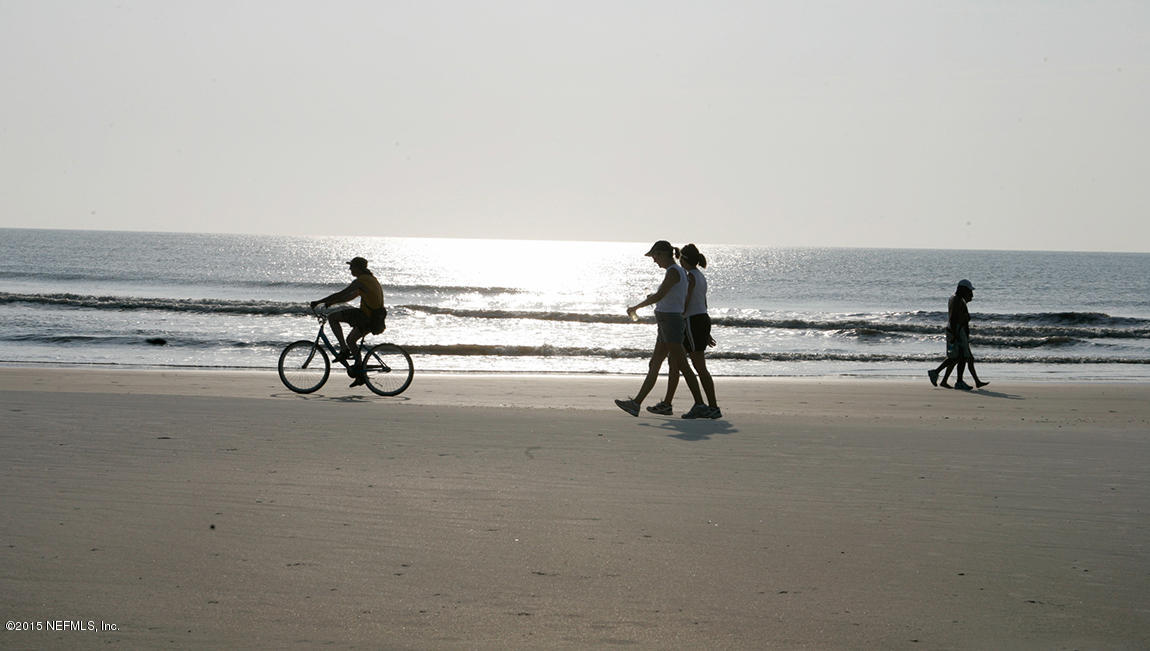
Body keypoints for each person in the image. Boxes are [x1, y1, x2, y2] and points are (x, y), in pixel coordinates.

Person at [614, 241, 710, 419]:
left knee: (682, 364)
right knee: (655, 364)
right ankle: (636, 404)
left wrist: (636, 307)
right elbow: (668, 296)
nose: (654, 260)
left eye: (656, 256)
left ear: (665, 253)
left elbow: (660, 295)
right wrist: (656, 300)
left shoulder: (674, 271)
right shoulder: (675, 272)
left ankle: (700, 404)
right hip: (666, 323)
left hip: (671, 322)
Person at [647, 243, 721, 419]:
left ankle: (712, 406)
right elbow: (703, 302)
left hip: (691, 322)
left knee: (698, 366)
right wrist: (707, 331)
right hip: (701, 320)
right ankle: (667, 403)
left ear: (683, 260)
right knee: (675, 362)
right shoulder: (700, 276)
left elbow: (685, 301)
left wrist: (678, 317)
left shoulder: (690, 277)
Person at [310, 256, 387, 387]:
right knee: (351, 340)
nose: (350, 268)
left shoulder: (361, 281)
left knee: (333, 318)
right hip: (375, 319)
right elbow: (350, 296)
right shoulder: (370, 280)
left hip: (366, 317)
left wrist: (319, 302)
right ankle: (360, 374)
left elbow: (342, 293)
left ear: (359, 268)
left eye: (352, 266)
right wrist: (331, 302)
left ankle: (344, 351)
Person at [927, 279, 989, 391]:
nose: (970, 294)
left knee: (958, 357)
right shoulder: (957, 300)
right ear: (963, 289)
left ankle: (946, 378)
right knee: (960, 357)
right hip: (957, 331)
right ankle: (941, 374)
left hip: (956, 331)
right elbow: (954, 318)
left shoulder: (956, 298)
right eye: (969, 291)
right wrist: (955, 334)